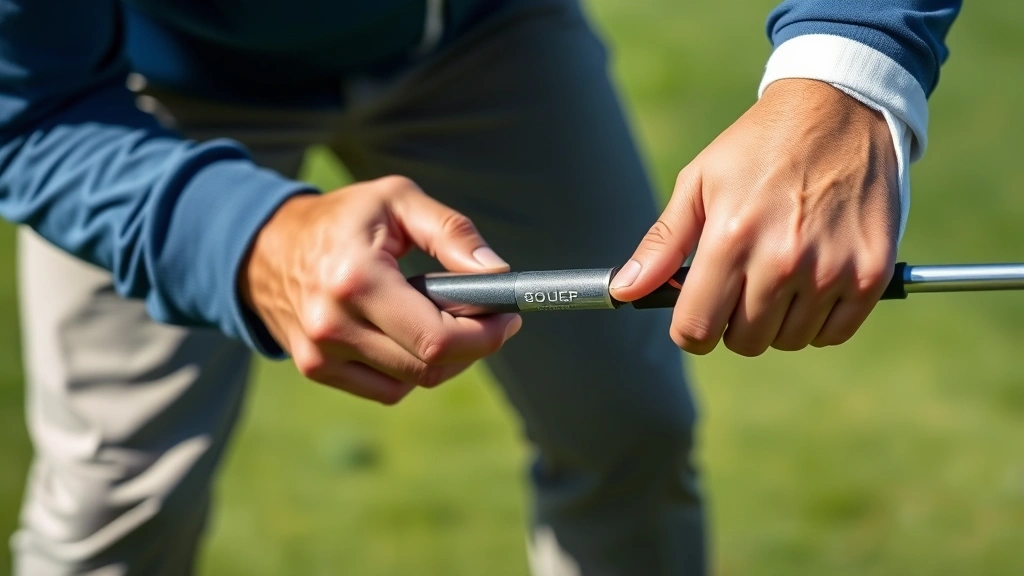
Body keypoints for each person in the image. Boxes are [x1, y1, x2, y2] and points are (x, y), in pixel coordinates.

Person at [0, 0, 961, 574]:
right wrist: (244, 237)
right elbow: (24, 109)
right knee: (117, 499)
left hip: (482, 35)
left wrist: (850, 62)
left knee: (628, 423)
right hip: (137, 93)